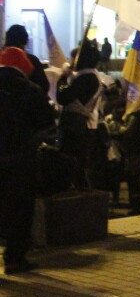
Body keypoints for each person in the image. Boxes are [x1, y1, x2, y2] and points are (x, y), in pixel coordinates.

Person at [0, 47, 57, 274]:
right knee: (19, 209)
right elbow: (46, 123)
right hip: (19, 159)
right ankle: (14, 259)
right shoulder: (29, 90)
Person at [56, 40, 103, 187]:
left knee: (72, 161)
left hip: (75, 124)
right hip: (77, 124)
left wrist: (63, 78)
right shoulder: (88, 76)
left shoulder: (86, 77)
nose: (71, 61)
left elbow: (62, 97)